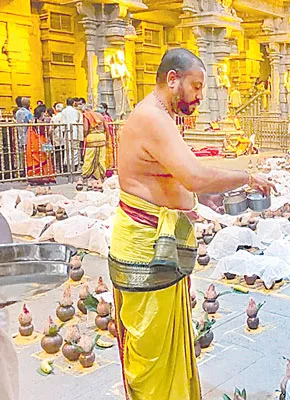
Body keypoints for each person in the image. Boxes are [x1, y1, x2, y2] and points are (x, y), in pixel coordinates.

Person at [110, 48, 275, 400]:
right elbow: (195, 175)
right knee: (151, 355)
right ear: (173, 79)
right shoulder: (152, 118)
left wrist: (195, 199)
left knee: (165, 347)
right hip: (145, 247)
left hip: (156, 246)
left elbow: (172, 177)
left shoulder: (161, 116)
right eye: (197, 86)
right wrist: (246, 177)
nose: (201, 96)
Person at [26, 104, 56, 185]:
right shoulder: (41, 123)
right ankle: (44, 177)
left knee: (36, 160)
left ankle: (35, 177)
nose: (46, 114)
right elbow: (48, 133)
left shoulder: (33, 121)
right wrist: (52, 126)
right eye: (45, 112)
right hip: (41, 143)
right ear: (42, 113)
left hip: (34, 144)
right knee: (45, 159)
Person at [81, 104, 108, 184]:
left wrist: (84, 135)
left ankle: (85, 175)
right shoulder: (100, 115)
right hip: (101, 137)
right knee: (101, 158)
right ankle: (102, 175)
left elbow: (86, 129)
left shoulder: (86, 115)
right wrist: (107, 139)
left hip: (92, 137)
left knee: (89, 158)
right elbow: (106, 127)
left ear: (85, 110)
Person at [61, 97, 83, 170]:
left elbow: (62, 122)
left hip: (67, 132)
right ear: (73, 103)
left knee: (67, 149)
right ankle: (75, 166)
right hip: (75, 132)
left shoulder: (63, 111)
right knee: (75, 150)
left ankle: (66, 166)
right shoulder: (76, 111)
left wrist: (63, 131)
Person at [98, 102, 117, 176]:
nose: (99, 109)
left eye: (101, 107)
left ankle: (108, 170)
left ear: (105, 109)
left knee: (108, 155)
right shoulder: (101, 117)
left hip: (108, 138)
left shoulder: (106, 118)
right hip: (104, 137)